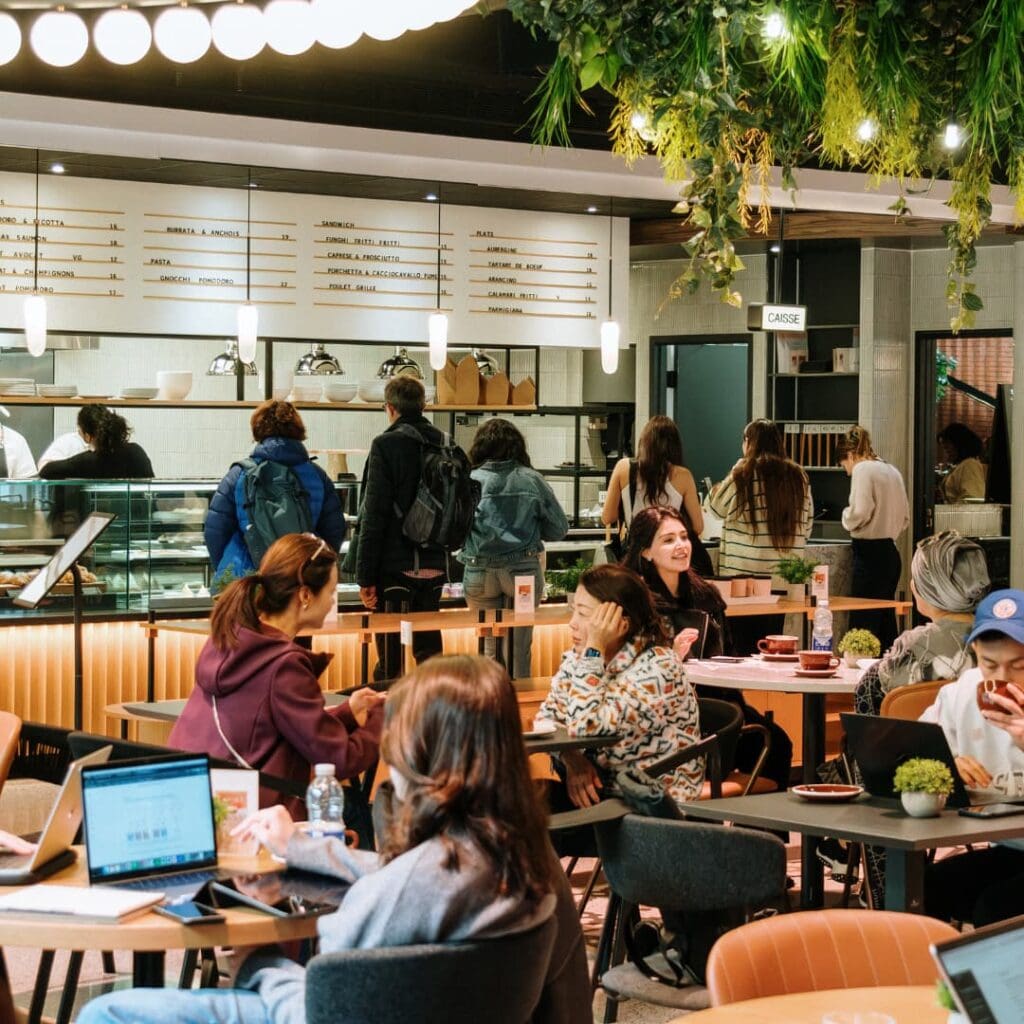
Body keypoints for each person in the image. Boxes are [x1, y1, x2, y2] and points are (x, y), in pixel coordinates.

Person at [78, 655, 591, 1024]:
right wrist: (299, 846)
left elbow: (323, 1001)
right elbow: (399, 881)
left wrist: (257, 964)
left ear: (423, 751)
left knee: (109, 1011)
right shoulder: (515, 854)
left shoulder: (419, 879)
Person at [169, 533, 384, 816]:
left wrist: (346, 713)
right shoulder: (285, 666)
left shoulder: (231, 637)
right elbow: (338, 759)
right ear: (305, 595)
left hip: (197, 803)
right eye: (331, 593)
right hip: (256, 820)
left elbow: (275, 730)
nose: (333, 602)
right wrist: (386, 717)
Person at [622, 506, 793, 792]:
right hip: (669, 710)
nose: (681, 546)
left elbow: (729, 652)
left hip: (721, 700)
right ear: (646, 552)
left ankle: (760, 834)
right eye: (668, 540)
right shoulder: (635, 600)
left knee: (777, 743)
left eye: (684, 537)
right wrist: (671, 654)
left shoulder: (706, 596)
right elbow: (630, 668)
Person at [538, 563, 703, 809]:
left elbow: (587, 730)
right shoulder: (578, 659)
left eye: (584, 614)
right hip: (602, 795)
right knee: (513, 802)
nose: (573, 623)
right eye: (574, 611)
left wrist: (594, 648)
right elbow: (547, 720)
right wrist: (571, 759)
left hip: (650, 806)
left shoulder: (659, 668)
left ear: (621, 622)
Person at [920, 589, 1024, 927]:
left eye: (1018, 666)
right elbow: (913, 751)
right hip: (1010, 848)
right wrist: (944, 766)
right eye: (990, 665)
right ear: (975, 652)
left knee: (994, 908)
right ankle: (924, 980)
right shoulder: (962, 693)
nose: (1002, 679)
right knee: (927, 887)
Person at [458, 418, 568, 679]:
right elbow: (559, 529)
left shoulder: (469, 479)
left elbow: (455, 530)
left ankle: (490, 708)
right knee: (519, 649)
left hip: (478, 572)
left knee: (488, 649)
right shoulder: (532, 480)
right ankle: (518, 711)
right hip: (523, 573)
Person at [357, 376, 447, 679]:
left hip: (395, 569)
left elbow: (374, 514)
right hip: (436, 566)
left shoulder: (385, 444)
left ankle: (390, 722)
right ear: (423, 406)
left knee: (391, 665)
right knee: (430, 657)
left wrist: (365, 577)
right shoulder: (445, 442)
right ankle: (437, 718)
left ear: (390, 408)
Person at [205, 400, 345, 583]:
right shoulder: (316, 475)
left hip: (250, 580)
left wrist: (227, 568)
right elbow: (335, 529)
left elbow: (215, 531)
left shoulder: (239, 475)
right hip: (300, 579)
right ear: (297, 430)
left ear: (258, 430)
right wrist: (315, 569)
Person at [854, 530, 990, 716]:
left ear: (927, 589)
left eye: (916, 580)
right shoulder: (1004, 642)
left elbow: (868, 700)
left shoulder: (912, 648)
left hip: (912, 743)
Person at [709, 418, 812, 655]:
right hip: (781, 580)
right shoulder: (799, 476)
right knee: (773, 647)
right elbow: (807, 526)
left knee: (742, 649)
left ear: (749, 442)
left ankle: (746, 693)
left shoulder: (743, 471)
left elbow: (716, 508)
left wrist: (718, 487)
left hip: (744, 581)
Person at [602, 415, 711, 576]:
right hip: (669, 560)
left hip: (636, 560)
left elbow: (607, 517)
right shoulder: (683, 475)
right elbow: (697, 527)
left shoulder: (623, 468)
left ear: (644, 442)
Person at [837, 425, 910, 652]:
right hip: (890, 554)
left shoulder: (863, 469)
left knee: (863, 627)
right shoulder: (891, 470)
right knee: (885, 624)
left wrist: (845, 518)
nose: (846, 471)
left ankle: (858, 683)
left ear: (849, 454)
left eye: (844, 464)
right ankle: (889, 679)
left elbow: (860, 511)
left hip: (869, 556)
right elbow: (905, 518)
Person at [37, 404, 153, 479]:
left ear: (87, 436)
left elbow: (46, 471)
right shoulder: (136, 451)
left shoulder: (89, 460)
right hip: (139, 515)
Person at [938, 422, 987, 502]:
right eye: (944, 447)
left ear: (960, 444)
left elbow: (973, 499)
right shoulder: (961, 465)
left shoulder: (969, 465)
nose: (946, 450)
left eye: (948, 446)